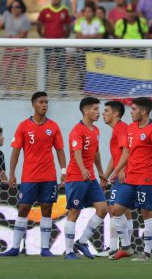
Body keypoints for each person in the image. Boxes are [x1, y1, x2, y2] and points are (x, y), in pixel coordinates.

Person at [0, 91, 66, 257]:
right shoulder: (23, 126)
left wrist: (63, 171)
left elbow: (59, 150)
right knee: (23, 208)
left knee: (47, 209)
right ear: (33, 105)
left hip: (49, 176)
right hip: (29, 176)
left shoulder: (53, 126)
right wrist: (12, 174)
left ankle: (45, 249)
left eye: (46, 102)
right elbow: (15, 151)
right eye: (41, 102)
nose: (44, 105)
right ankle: (15, 247)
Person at [111, 97, 152, 262]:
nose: (131, 112)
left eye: (134, 109)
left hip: (146, 178)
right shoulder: (130, 128)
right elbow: (126, 153)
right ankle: (127, 247)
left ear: (143, 112)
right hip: (130, 179)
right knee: (116, 210)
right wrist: (117, 170)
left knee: (147, 214)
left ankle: (147, 254)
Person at [64, 97, 108, 260]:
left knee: (103, 208)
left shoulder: (96, 130)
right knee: (74, 211)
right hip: (76, 177)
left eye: (99, 109)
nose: (99, 112)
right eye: (95, 109)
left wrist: (101, 172)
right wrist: (82, 169)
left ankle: (82, 241)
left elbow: (95, 152)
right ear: (85, 111)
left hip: (90, 177)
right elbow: (76, 152)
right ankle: (69, 251)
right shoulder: (77, 130)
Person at [96, 101, 133, 258]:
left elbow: (127, 151)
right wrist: (105, 173)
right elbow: (115, 156)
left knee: (114, 209)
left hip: (125, 174)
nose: (103, 113)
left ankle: (122, 247)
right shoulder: (116, 130)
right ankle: (115, 247)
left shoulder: (122, 128)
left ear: (116, 114)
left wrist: (121, 170)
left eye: (106, 111)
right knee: (123, 212)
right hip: (121, 173)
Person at [0, 0, 30, 91]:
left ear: (22, 8)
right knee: (6, 69)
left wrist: (12, 38)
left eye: (17, 7)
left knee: (21, 71)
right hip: (8, 46)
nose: (14, 8)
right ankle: (6, 91)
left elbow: (24, 34)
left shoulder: (25, 18)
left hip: (20, 46)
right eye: (13, 6)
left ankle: (19, 91)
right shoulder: (6, 14)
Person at [37, 0, 72, 92]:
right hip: (47, 41)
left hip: (60, 42)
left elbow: (68, 24)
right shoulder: (45, 9)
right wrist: (43, 35)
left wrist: (65, 36)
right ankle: (43, 88)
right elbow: (39, 24)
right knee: (46, 64)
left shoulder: (65, 10)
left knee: (61, 64)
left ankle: (63, 89)